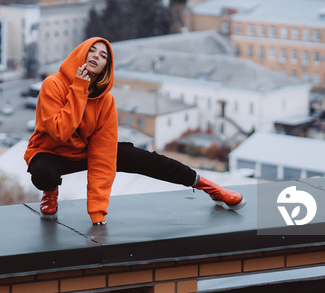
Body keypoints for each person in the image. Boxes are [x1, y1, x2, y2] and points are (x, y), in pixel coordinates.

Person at [24, 37, 245, 225]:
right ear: (80, 55)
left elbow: (102, 156)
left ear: (105, 68)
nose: (95, 56)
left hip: (85, 151)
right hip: (50, 152)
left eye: (102, 56)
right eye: (91, 51)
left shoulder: (106, 101)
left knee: (147, 160)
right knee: (43, 172)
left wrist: (97, 211)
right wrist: (79, 88)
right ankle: (50, 191)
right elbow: (60, 132)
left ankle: (210, 187)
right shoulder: (53, 85)